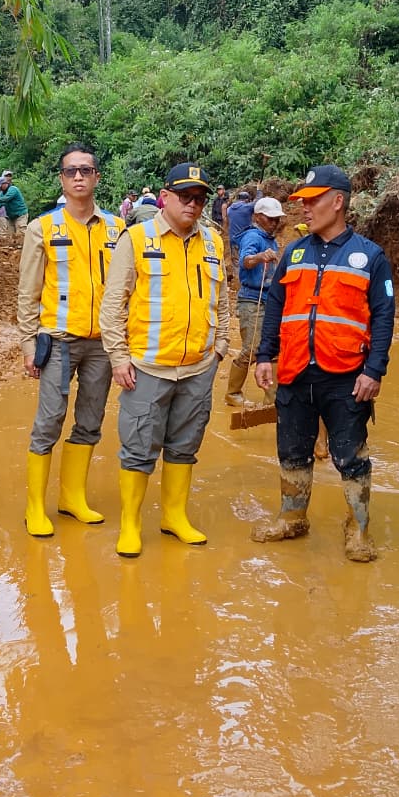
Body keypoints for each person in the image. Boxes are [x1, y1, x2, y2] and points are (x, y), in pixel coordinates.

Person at [254, 165, 395, 560]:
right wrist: (265, 355)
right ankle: (292, 517)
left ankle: (358, 527)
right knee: (292, 450)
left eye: (312, 201)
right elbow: (276, 306)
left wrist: (374, 371)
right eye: (302, 201)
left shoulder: (370, 256)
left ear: (337, 202)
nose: (304, 208)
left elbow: (384, 317)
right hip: (295, 370)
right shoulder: (294, 252)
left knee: (351, 455)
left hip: (346, 376)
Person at [100, 163, 230, 558]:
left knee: (185, 445)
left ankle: (175, 516)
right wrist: (118, 357)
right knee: (138, 447)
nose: (193, 204)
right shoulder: (137, 239)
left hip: (198, 368)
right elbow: (113, 304)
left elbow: (222, 301)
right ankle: (131, 523)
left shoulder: (213, 242)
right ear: (165, 197)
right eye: (185, 196)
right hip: (147, 367)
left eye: (200, 198)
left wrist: (220, 347)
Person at [17, 143, 125, 537]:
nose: (78, 177)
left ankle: (71, 497)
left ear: (97, 177)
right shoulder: (42, 228)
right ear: (61, 179)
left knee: (91, 420)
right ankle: (35, 506)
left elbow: (128, 287)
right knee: (49, 420)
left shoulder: (117, 228)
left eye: (85, 170)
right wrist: (28, 342)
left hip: (102, 344)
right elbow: (28, 290)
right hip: (58, 340)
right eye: (70, 171)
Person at [225, 196, 284, 406]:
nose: (275, 222)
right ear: (258, 217)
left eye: (277, 219)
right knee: (252, 348)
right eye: (270, 218)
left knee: (271, 348)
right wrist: (260, 257)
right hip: (252, 300)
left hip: (269, 299)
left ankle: (272, 398)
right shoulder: (253, 237)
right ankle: (233, 393)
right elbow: (246, 261)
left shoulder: (270, 239)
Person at [0, 171, 29, 239]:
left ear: (5, 184)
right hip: (11, 217)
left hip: (20, 215)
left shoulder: (13, 189)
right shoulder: (2, 193)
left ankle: (25, 245)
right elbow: (0, 203)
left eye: (0, 186)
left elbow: (5, 199)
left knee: (21, 233)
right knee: (11, 235)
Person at [226, 189, 254, 263]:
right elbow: (257, 202)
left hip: (233, 239)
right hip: (245, 240)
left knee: (236, 261)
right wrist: (259, 190)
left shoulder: (229, 209)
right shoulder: (247, 207)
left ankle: (237, 270)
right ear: (247, 200)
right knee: (247, 260)